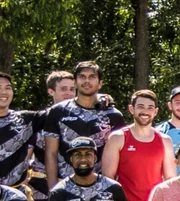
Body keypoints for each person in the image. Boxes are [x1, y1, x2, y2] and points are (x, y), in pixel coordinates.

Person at [41, 61, 123, 190]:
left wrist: (112, 190)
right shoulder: (58, 111)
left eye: (92, 77)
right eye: (82, 77)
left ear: (100, 83)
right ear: (75, 82)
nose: (87, 81)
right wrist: (53, 189)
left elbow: (120, 157)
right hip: (65, 185)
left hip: (101, 187)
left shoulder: (114, 115)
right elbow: (50, 153)